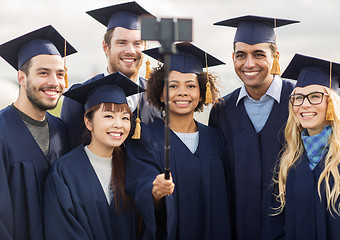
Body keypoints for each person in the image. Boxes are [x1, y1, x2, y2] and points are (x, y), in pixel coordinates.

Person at [125, 43, 232, 240]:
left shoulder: (216, 139)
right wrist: (156, 192)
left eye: (191, 86)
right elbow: (140, 193)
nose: (182, 92)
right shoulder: (145, 139)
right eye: (173, 86)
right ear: (160, 93)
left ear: (201, 93)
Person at [208, 15, 299, 240]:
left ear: (275, 56)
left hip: (293, 226)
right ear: (233, 58)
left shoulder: (299, 101)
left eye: (259, 54)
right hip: (239, 228)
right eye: (241, 55)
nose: (249, 64)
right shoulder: (222, 110)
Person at [260, 53, 340, 240]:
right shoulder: (289, 159)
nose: (304, 105)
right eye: (298, 98)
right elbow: (275, 227)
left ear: (332, 102)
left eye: (315, 96)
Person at [43, 72, 150, 239]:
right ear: (88, 122)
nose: (118, 125)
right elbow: (62, 230)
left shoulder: (133, 167)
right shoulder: (64, 172)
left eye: (125, 118)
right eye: (108, 116)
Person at [0, 25, 77, 240]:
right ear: (22, 78)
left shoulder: (61, 130)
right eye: (43, 73)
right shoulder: (2, 132)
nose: (54, 82)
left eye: (60, 74)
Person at [61, 1, 163, 150]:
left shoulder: (158, 95)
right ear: (106, 47)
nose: (130, 51)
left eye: (137, 43)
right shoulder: (80, 98)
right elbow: (69, 155)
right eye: (121, 43)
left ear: (145, 47)